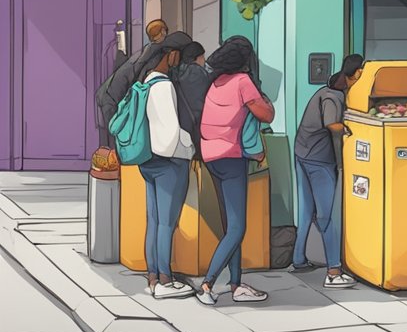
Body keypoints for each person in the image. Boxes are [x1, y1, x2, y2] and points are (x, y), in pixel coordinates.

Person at [196, 37, 274, 305]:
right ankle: (207, 283)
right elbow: (266, 114)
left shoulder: (216, 83)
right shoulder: (242, 82)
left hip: (211, 157)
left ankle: (236, 284)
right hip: (231, 158)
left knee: (231, 225)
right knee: (238, 227)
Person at [291, 54, 363, 288]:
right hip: (318, 160)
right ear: (354, 75)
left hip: (302, 152)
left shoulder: (328, 88)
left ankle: (299, 259)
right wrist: (354, 129)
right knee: (327, 215)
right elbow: (332, 124)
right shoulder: (333, 97)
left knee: (306, 210)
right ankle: (333, 271)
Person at [139, 33, 196, 299]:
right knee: (167, 223)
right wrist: (190, 148)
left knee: (153, 220)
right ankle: (165, 279)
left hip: (148, 161)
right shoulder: (164, 86)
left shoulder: (146, 82)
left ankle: (152, 276)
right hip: (168, 163)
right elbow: (171, 133)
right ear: (170, 54)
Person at [95, 19, 171, 146]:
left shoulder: (145, 51)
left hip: (108, 95)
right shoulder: (154, 55)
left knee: (113, 142)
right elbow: (141, 83)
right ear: (163, 32)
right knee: (119, 142)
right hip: (114, 99)